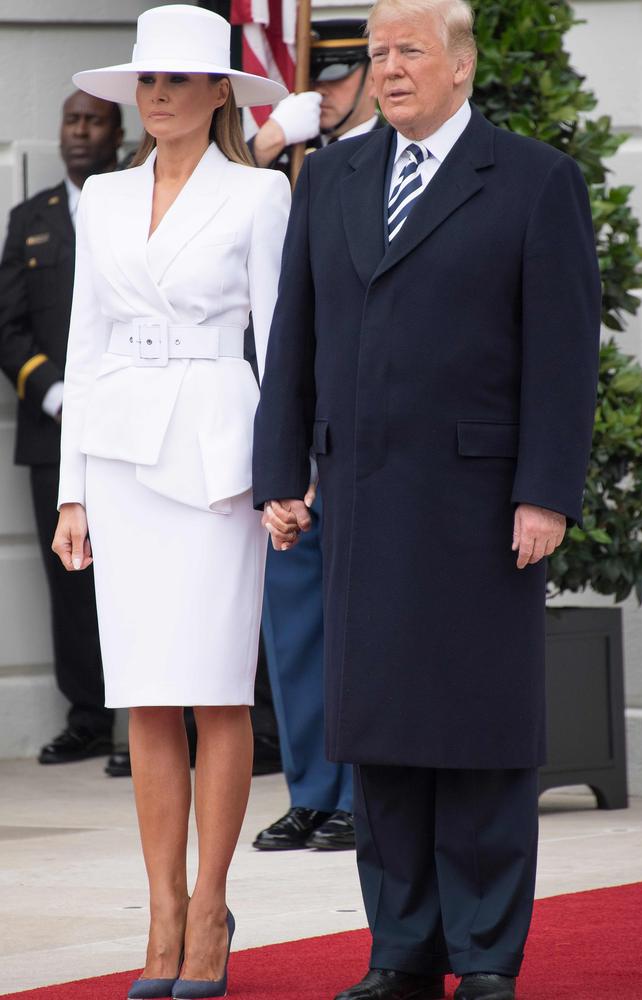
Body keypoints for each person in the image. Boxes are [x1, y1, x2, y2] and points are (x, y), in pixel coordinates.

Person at [252, 0, 601, 998]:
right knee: (383, 736)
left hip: (481, 508)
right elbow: (296, 339)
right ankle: (401, 950)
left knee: (478, 732)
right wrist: (280, 473)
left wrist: (544, 493)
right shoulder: (332, 178)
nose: (387, 68)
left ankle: (484, 954)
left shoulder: (533, 180)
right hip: (358, 502)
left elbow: (561, 355)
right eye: (376, 55)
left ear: (461, 64)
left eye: (408, 50)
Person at [51, 6, 289, 999]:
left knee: (215, 685)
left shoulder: (259, 196)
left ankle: (208, 907)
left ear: (219, 93)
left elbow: (279, 349)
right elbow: (85, 341)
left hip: (215, 459)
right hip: (118, 457)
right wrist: (71, 494)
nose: (155, 94)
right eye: (146, 80)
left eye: (178, 80)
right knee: (143, 691)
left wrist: (284, 477)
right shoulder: (99, 199)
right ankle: (159, 909)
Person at [252, 19, 379, 854]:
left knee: (363, 621)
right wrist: (265, 148)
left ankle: (359, 791)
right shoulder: (291, 166)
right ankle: (311, 787)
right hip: (294, 416)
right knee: (294, 620)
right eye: (317, 80)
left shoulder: (380, 164)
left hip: (366, 425)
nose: (325, 94)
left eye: (339, 77)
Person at [0, 91, 123, 769]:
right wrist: (54, 396)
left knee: (139, 569)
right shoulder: (32, 219)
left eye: (93, 121)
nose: (79, 132)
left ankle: (153, 724)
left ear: (119, 131)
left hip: (133, 424)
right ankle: (89, 717)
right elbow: (7, 326)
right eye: (71, 121)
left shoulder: (142, 202)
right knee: (71, 580)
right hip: (57, 429)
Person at [251, 18, 381, 173]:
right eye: (312, 77)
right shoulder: (287, 149)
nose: (319, 90)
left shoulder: (392, 151)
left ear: (374, 80)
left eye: (335, 78)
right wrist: (265, 144)